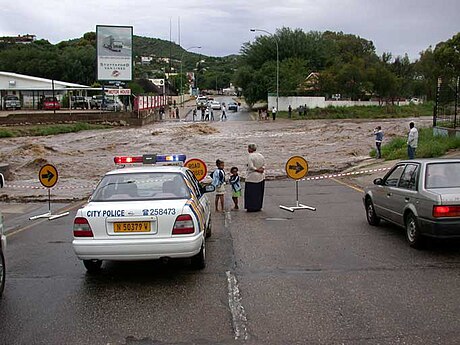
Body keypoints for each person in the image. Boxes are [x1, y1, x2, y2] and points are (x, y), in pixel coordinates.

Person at [244, 143, 265, 212]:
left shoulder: (250, 156)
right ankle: (258, 206)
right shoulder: (261, 155)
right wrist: (261, 169)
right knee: (259, 193)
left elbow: (250, 166)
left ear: (250, 149)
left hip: (251, 177)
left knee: (251, 193)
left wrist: (256, 169)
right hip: (261, 176)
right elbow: (264, 164)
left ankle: (251, 207)